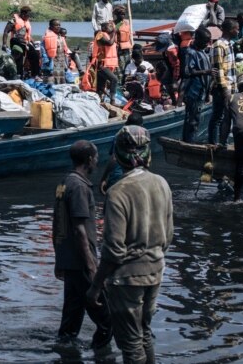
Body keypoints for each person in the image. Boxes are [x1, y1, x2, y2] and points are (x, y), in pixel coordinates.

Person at [87, 129, 173, 364]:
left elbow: (114, 249)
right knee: (144, 334)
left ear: (118, 155)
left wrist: (95, 286)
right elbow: (168, 236)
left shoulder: (118, 192)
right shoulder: (162, 183)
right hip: (156, 271)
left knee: (132, 343)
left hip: (127, 279)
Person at [53, 140, 112, 350]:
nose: (97, 161)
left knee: (71, 319)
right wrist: (92, 266)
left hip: (69, 261)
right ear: (89, 160)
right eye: (96, 157)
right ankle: (101, 356)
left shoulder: (64, 182)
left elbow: (58, 222)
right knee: (107, 319)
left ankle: (65, 354)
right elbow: (79, 230)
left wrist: (59, 259)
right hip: (81, 262)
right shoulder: (79, 187)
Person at [207, 19, 239, 148]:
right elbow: (219, 69)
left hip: (230, 86)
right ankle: (213, 143)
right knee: (218, 117)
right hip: (222, 88)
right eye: (236, 29)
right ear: (230, 30)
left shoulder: (228, 44)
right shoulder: (219, 45)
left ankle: (222, 142)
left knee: (226, 116)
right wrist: (225, 88)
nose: (238, 31)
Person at [100, 114, 147, 194]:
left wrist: (104, 178)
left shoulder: (119, 135)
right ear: (141, 126)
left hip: (116, 178)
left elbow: (113, 158)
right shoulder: (143, 138)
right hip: (134, 179)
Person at [181, 28, 212, 144]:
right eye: (205, 41)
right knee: (192, 119)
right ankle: (189, 142)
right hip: (194, 91)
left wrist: (208, 92)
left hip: (202, 91)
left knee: (196, 117)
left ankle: (189, 140)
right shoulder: (191, 53)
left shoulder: (203, 51)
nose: (207, 44)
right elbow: (187, 72)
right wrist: (206, 72)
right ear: (197, 39)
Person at [92, 22, 119, 104]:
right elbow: (109, 43)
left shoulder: (110, 36)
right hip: (101, 65)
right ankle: (112, 100)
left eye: (112, 27)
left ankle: (100, 102)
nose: (111, 28)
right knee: (114, 79)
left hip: (108, 64)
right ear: (103, 28)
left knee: (101, 86)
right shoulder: (100, 35)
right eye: (109, 27)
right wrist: (114, 31)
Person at [113, 6, 133, 71]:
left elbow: (129, 35)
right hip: (118, 48)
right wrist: (119, 24)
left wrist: (131, 45)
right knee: (119, 66)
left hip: (126, 47)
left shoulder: (126, 23)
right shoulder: (113, 23)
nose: (123, 16)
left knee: (128, 64)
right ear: (117, 15)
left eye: (124, 14)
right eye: (121, 14)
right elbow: (113, 31)